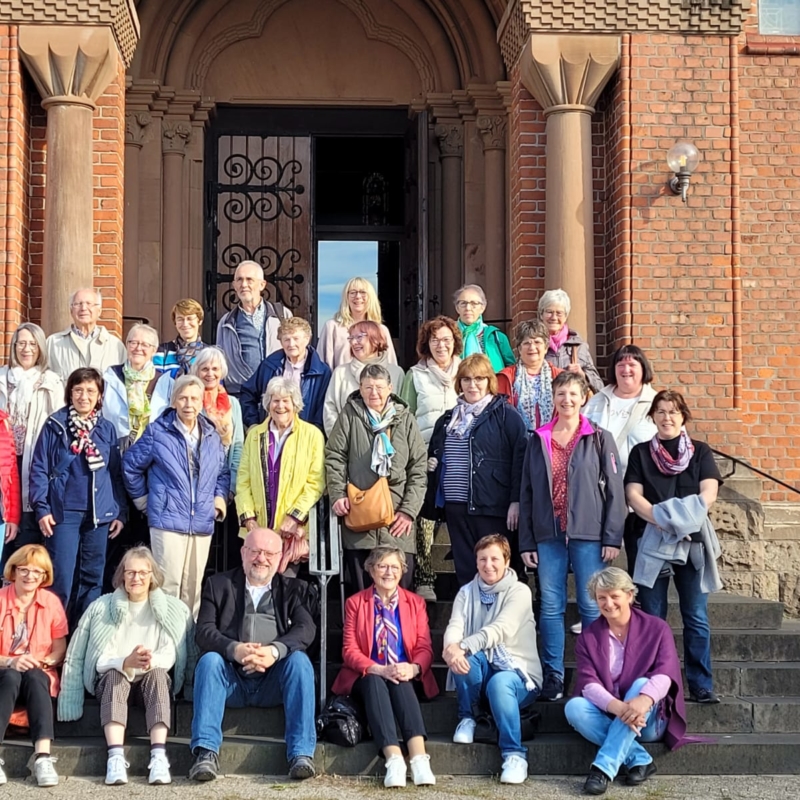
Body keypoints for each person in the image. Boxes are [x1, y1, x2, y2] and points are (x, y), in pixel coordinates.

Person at [518, 372, 626, 702]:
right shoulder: (537, 438)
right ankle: (553, 675)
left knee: (592, 606)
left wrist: (612, 536)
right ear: (554, 397)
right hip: (548, 534)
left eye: (573, 394)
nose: (566, 399)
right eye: (560, 393)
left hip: (589, 535)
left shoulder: (599, 438)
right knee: (550, 607)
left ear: (584, 398)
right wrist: (525, 541)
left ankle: (593, 673)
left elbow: (615, 491)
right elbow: (526, 492)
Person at [58, 546, 195, 786]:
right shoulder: (101, 607)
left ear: (153, 575)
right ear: (122, 575)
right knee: (115, 676)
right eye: (130, 572)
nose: (137, 578)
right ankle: (115, 757)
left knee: (159, 676)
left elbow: (170, 652)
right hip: (112, 679)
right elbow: (97, 658)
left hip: (150, 680)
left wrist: (144, 662)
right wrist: (125, 662)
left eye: (143, 572)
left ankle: (159, 756)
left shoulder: (172, 609)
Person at [189, 527, 317, 782]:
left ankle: (301, 754)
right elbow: (203, 631)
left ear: (280, 557)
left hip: (273, 681)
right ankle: (205, 753)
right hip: (231, 680)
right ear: (243, 552)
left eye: (269, 553)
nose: (262, 558)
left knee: (300, 661)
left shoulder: (294, 588)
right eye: (255, 551)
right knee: (209, 661)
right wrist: (233, 649)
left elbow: (306, 629)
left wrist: (274, 651)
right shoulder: (218, 585)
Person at [624, 389, 723, 704]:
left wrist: (681, 522)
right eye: (661, 411)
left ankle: (700, 685)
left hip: (691, 544)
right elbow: (633, 495)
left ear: (683, 417)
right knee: (654, 617)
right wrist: (662, 520)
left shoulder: (701, 452)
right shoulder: (640, 453)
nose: (667, 417)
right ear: (653, 416)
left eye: (673, 412)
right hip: (651, 541)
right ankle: (658, 686)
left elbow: (709, 494)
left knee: (695, 615)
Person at [565, 567, 688, 796]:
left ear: (630, 595)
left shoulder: (657, 628)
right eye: (601, 597)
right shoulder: (588, 637)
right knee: (574, 707)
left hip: (648, 721)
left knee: (642, 684)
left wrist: (643, 701)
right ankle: (639, 758)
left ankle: (603, 769)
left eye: (614, 596)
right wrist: (620, 708)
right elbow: (588, 684)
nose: (608, 603)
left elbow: (665, 673)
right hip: (616, 714)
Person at [122, 375, 230, 618]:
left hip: (202, 521)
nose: (188, 404)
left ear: (202, 402)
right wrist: (143, 501)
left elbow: (223, 472)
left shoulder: (212, 435)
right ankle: (164, 647)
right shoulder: (157, 432)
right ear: (173, 402)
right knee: (168, 586)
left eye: (194, 398)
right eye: (182, 398)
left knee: (193, 590)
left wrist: (218, 501)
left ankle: (188, 649)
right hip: (167, 520)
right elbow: (130, 466)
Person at [332, 546, 437, 787]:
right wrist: (378, 669)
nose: (388, 572)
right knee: (376, 680)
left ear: (402, 571)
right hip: (366, 676)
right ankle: (394, 760)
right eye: (382, 566)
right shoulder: (355, 603)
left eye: (394, 567)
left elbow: (424, 647)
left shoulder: (416, 603)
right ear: (371, 570)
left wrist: (413, 668)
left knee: (399, 679)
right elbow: (349, 651)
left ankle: (419, 759)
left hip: (405, 676)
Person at [29, 368, 126, 626]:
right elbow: (39, 468)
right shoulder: (55, 425)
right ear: (70, 393)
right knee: (60, 577)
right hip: (64, 512)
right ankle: (54, 636)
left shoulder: (106, 429)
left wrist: (119, 511)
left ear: (100, 396)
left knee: (92, 579)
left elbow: (115, 474)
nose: (84, 396)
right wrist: (42, 508)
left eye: (90, 391)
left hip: (99, 513)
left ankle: (83, 636)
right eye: (78, 390)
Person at [442, 535, 542, 785]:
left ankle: (514, 755)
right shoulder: (466, 592)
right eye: (482, 559)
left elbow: (501, 629)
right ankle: (468, 717)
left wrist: (461, 646)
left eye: (495, 558)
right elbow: (455, 625)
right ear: (475, 562)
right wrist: (450, 648)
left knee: (499, 682)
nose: (489, 565)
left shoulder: (519, 591)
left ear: (506, 561)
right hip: (482, 670)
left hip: (519, 673)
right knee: (463, 659)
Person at [426, 354, 527, 587]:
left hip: (492, 507)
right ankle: (472, 620)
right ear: (459, 383)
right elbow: (437, 455)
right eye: (467, 379)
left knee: (495, 570)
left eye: (479, 378)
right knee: (465, 570)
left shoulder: (506, 415)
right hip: (455, 506)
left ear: (489, 380)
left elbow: (520, 461)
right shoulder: (448, 419)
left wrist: (516, 501)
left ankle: (501, 621)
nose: (473, 385)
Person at [326, 364, 427, 594]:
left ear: (390, 388)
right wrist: (338, 494)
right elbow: (334, 456)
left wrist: (409, 510)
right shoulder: (349, 415)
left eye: (380, 388)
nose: (374, 393)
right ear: (359, 389)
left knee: (399, 592)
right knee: (362, 595)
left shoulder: (405, 419)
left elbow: (418, 467)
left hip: (397, 519)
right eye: (368, 387)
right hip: (359, 516)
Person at [400, 316, 463, 602]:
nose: (441, 345)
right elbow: (405, 418)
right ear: (427, 343)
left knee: (460, 516)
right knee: (426, 517)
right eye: (435, 340)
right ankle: (425, 579)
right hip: (427, 455)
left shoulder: (467, 370)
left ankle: (466, 575)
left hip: (461, 455)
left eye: (446, 339)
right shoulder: (416, 375)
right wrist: (416, 457)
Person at [236, 377, 325, 576]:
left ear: (295, 404)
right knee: (256, 586)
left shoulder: (312, 435)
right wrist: (249, 519)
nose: (281, 406)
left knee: (287, 591)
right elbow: (243, 481)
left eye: (286, 400)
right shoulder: (255, 435)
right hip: (257, 529)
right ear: (268, 404)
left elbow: (316, 482)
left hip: (291, 533)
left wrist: (295, 517)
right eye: (275, 400)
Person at [585, 345, 658, 571]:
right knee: (600, 566)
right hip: (601, 495)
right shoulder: (596, 401)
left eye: (632, 364)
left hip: (642, 496)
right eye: (621, 364)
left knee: (640, 563)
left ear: (643, 369)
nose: (626, 369)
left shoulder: (658, 403)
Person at [0, 545, 67, 786]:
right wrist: (11, 661)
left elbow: (59, 648)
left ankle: (43, 757)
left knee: (36, 675)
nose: (30, 576)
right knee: (10, 676)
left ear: (44, 575)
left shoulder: (51, 602)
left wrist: (47, 660)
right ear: (13, 571)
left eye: (37, 572)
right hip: (3, 672)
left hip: (37, 675)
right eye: (25, 570)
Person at [0, 323, 63, 563]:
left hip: (34, 461)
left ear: (41, 348)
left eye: (33, 344)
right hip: (4, 461)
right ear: (14, 346)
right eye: (22, 343)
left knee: (26, 535)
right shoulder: (1, 377)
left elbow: (58, 428)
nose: (27, 349)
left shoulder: (51, 382)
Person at [239, 317, 331, 431]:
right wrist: (253, 424)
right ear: (281, 342)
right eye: (286, 339)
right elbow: (247, 394)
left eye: (296, 338)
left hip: (304, 438)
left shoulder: (322, 372)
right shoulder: (269, 365)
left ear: (307, 339)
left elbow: (323, 409)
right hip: (271, 435)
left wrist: (313, 435)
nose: (291, 344)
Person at [215, 260, 293, 395]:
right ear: (234, 285)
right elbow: (219, 362)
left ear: (262, 285)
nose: (244, 285)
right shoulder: (225, 322)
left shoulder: (282, 315)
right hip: (240, 395)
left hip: (276, 393)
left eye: (249, 279)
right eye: (239, 280)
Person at [323, 321, 405, 436]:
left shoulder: (396, 373)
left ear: (375, 338)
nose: (354, 342)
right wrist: (339, 441)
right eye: (351, 338)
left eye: (359, 337)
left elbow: (403, 412)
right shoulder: (340, 373)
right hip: (348, 447)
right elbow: (330, 410)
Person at [102, 324, 174, 451]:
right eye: (133, 342)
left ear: (154, 350)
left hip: (152, 454)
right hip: (113, 451)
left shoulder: (166, 383)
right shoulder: (108, 378)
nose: (138, 348)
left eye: (145, 344)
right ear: (127, 345)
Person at [189, 347, 244, 493]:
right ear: (197, 371)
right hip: (196, 481)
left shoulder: (234, 404)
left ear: (222, 371)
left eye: (215, 369)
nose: (210, 374)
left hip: (224, 480)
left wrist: (232, 486)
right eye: (205, 369)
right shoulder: (191, 402)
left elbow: (238, 446)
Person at [45, 288, 126, 382]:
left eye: (89, 304)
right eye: (78, 304)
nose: (83, 308)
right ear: (71, 311)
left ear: (99, 311)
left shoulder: (115, 346)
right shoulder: (53, 343)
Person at [317, 277, 398, 370]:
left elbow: (391, 366)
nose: (358, 296)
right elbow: (321, 365)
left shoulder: (381, 330)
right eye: (352, 292)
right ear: (346, 298)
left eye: (363, 292)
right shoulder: (332, 327)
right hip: (342, 382)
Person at [497, 320, 562, 432]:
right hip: (515, 444)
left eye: (537, 342)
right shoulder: (504, 378)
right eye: (526, 343)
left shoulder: (560, 377)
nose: (532, 347)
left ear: (546, 347)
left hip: (553, 442)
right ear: (519, 349)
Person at [538, 288, 602, 394]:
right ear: (541, 314)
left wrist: (583, 375)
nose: (554, 317)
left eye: (559, 313)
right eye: (549, 312)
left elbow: (599, 387)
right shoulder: (534, 346)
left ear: (566, 316)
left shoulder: (578, 345)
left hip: (570, 406)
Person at [453, 284, 514, 372]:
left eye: (474, 303)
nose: (468, 308)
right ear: (457, 308)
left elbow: (511, 370)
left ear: (482, 308)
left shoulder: (497, 337)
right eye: (463, 303)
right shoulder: (449, 336)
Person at [154, 298, 207, 378]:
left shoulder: (209, 353)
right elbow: (156, 384)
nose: (185, 324)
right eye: (180, 319)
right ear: (175, 323)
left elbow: (216, 386)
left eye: (190, 318)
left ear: (199, 321)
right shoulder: (162, 352)